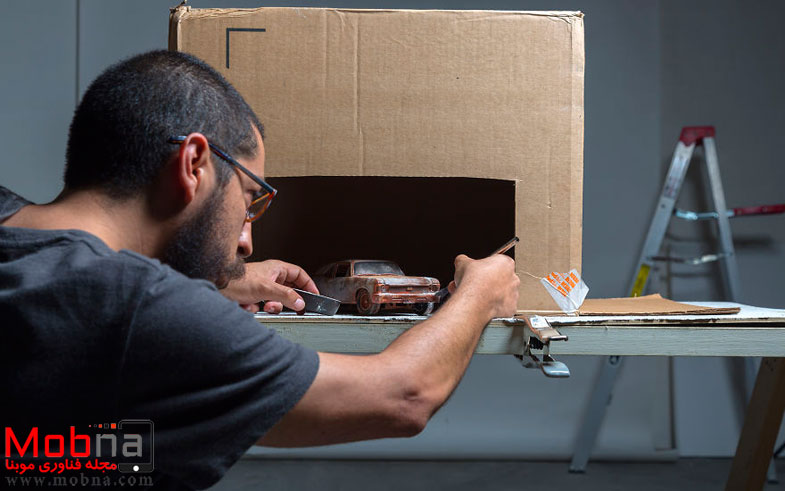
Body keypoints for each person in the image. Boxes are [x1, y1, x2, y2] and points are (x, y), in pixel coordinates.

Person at [0, 50, 519, 490]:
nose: (246, 241)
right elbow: (404, 395)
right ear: (194, 164)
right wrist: (481, 294)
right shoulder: (150, 313)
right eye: (251, 200)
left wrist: (212, 276)